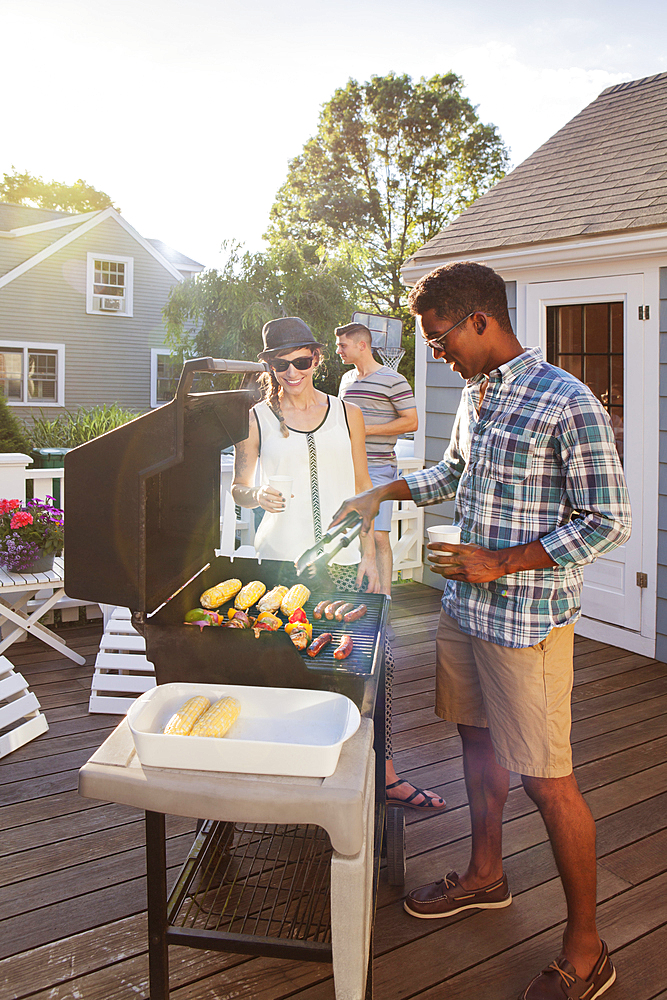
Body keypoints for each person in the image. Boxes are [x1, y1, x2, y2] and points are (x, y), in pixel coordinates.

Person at [330, 263, 631, 1000]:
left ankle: (588, 948)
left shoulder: (565, 401)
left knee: (546, 781)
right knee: (473, 744)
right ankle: (484, 873)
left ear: (478, 321)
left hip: (525, 623)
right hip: (462, 610)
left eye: (438, 340)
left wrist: (501, 560)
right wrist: (384, 489)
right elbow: (455, 473)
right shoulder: (475, 393)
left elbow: (607, 521)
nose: (437, 353)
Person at [232, 316, 446, 811]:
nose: (292, 372)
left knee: (366, 668)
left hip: (345, 558)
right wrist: (255, 494)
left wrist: (371, 554)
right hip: (280, 563)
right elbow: (239, 486)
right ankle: (294, 774)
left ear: (318, 358)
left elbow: (363, 489)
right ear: (269, 365)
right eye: (280, 364)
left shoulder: (347, 413)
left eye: (301, 361)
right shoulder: (257, 418)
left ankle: (384, 774)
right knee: (285, 668)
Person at [336, 322, 418, 598]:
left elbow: (412, 422)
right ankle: (360, 599)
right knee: (356, 534)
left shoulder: (393, 380)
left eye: (342, 345)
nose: (338, 350)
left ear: (362, 345)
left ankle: (385, 601)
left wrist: (365, 430)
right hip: (347, 467)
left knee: (379, 534)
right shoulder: (346, 380)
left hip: (380, 467)